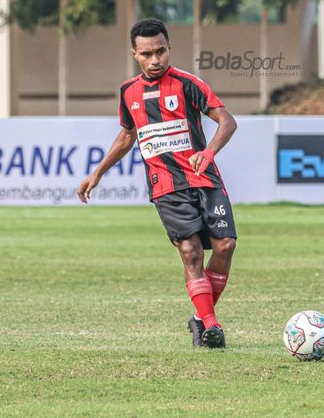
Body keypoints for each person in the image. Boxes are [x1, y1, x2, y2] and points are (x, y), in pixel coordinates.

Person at [78, 18, 238, 348]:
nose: (155, 60)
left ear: (169, 49)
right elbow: (126, 136)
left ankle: (200, 318)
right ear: (135, 54)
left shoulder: (188, 83)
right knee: (191, 252)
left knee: (225, 246)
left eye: (161, 51)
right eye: (147, 53)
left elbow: (227, 121)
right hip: (165, 185)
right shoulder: (129, 92)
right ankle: (210, 324)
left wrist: (208, 152)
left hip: (204, 179)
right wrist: (98, 172)